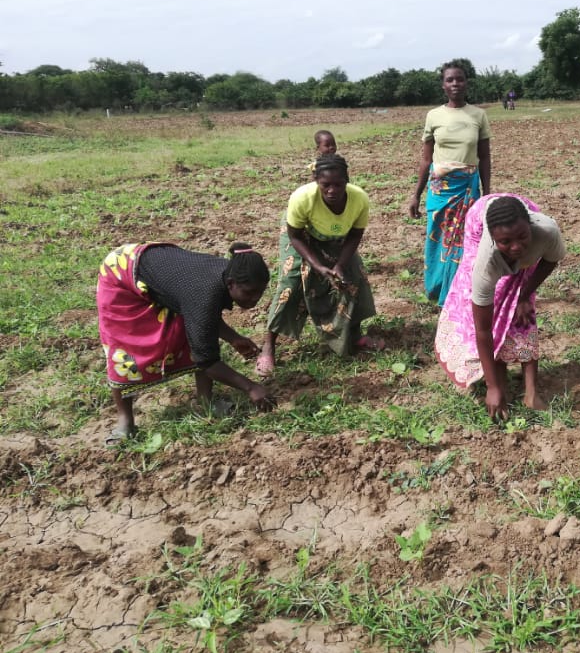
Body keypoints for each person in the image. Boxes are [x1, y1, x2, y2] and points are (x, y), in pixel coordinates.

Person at [97, 241, 276, 444]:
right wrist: (251, 387)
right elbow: (207, 361)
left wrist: (233, 338)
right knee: (125, 348)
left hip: (162, 268)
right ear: (231, 284)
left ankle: (205, 402)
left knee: (194, 334)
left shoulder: (225, 275)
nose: (255, 300)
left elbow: (204, 318)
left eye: (260, 293)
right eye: (249, 292)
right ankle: (125, 421)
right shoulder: (206, 291)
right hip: (121, 273)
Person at [436, 194, 566, 421]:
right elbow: (483, 329)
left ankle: (531, 393)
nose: (516, 247)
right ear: (495, 240)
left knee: (522, 310)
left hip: (518, 214)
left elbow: (551, 260)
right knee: (494, 302)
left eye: (521, 237)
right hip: (479, 222)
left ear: (530, 228)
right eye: (506, 242)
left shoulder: (546, 231)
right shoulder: (485, 265)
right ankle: (495, 372)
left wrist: (525, 296)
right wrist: (493, 388)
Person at [256, 153, 380, 376]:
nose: (332, 190)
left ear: (347, 181)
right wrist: (317, 265)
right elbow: (294, 236)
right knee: (291, 283)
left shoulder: (359, 199)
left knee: (354, 277)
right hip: (301, 235)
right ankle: (268, 347)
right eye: (325, 185)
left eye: (338, 184)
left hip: (336, 236)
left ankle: (354, 334)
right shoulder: (302, 198)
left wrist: (340, 264)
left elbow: (354, 235)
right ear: (317, 182)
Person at [407, 61, 492, 306]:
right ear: (443, 85)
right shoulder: (433, 116)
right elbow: (425, 159)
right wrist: (415, 194)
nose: (455, 84)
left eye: (460, 79)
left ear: (466, 82)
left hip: (468, 187)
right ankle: (435, 287)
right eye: (450, 80)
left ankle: (457, 289)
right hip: (440, 189)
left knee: (466, 238)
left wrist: (486, 193)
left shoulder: (478, 115)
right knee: (436, 234)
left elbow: (484, 157)